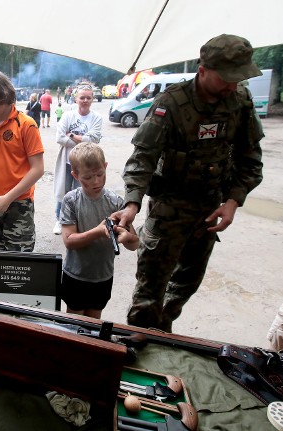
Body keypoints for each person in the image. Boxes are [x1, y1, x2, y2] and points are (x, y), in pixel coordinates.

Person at [114, 34, 264, 332]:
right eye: (227, 78)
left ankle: (162, 333)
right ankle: (141, 344)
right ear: (204, 69)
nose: (233, 85)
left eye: (239, 78)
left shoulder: (240, 102)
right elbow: (143, 157)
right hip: (169, 208)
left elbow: (250, 159)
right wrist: (132, 204)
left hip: (208, 209)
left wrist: (232, 202)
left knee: (187, 283)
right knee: (150, 287)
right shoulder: (171, 103)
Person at [59, 143, 139, 318]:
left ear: (106, 167)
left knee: (94, 323)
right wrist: (98, 230)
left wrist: (126, 237)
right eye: (88, 177)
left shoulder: (116, 203)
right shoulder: (71, 201)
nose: (95, 181)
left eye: (100, 174)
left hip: (103, 277)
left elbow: (135, 244)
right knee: (74, 322)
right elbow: (69, 241)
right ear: (75, 175)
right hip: (76, 276)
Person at [0, 69, 44, 251]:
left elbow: (38, 169)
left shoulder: (26, 125)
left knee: (18, 264)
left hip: (19, 204)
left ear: (4, 97)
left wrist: (8, 198)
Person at [53, 84, 103, 235]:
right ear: (76, 99)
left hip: (86, 165)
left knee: (82, 192)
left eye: (88, 97)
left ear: (92, 99)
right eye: (82, 97)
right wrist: (84, 140)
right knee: (63, 191)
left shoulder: (97, 118)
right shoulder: (68, 116)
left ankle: (78, 220)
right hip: (67, 162)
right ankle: (60, 220)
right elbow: (59, 137)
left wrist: (72, 135)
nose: (85, 100)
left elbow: (94, 139)